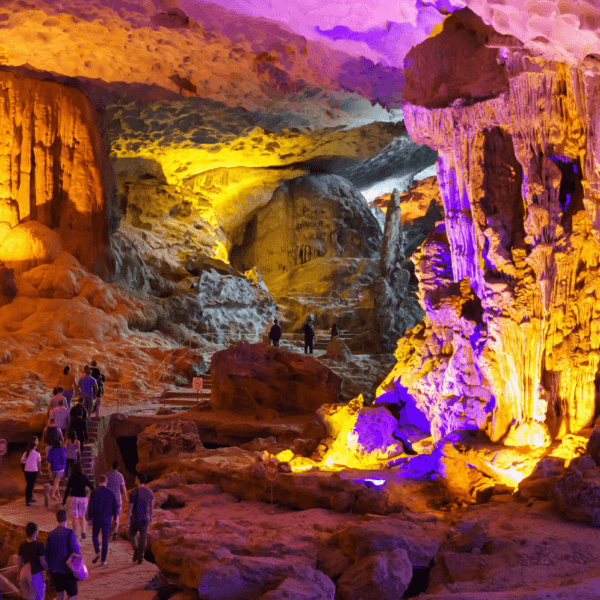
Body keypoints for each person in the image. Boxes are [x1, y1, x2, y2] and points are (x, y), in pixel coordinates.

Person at [46, 509, 80, 600]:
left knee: (59, 596)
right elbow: (76, 551)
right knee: (73, 595)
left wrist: (49, 571)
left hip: (55, 571)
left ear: (57, 519)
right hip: (68, 571)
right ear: (66, 519)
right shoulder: (70, 532)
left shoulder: (50, 534)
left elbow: (48, 554)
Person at [87, 475, 118, 566]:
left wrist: (89, 518)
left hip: (96, 518)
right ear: (106, 481)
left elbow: (90, 506)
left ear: (98, 482)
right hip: (107, 519)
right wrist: (115, 518)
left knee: (95, 536)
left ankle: (97, 551)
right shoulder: (111, 492)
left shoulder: (94, 492)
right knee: (105, 539)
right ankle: (103, 560)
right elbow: (115, 507)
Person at [127, 473, 154, 564]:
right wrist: (151, 517)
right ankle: (141, 557)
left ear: (138, 479)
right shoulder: (150, 492)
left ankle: (136, 549)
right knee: (143, 537)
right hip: (145, 518)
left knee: (131, 533)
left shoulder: (134, 492)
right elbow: (151, 507)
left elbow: (130, 507)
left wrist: (127, 518)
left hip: (135, 517)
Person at [63, 462, 94, 540]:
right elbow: (91, 487)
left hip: (74, 498)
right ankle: (83, 532)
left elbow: (67, 490)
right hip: (83, 498)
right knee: (82, 516)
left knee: (75, 517)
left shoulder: (71, 477)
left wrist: (64, 500)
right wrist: (90, 494)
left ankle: (75, 533)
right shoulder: (84, 477)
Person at [18, 521, 48, 600]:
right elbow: (42, 561)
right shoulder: (39, 545)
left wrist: (19, 574)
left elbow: (20, 561)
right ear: (35, 532)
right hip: (34, 574)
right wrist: (48, 570)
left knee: (27, 598)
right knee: (39, 597)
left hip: (23, 573)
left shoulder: (21, 545)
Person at [106, 461, 127, 541]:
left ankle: (108, 532)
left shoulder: (107, 475)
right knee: (117, 516)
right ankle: (115, 533)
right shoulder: (120, 476)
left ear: (111, 466)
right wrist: (126, 497)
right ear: (118, 467)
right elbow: (123, 488)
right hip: (118, 499)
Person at [21, 437, 42, 507]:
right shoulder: (37, 454)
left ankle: (29, 499)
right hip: (34, 471)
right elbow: (39, 464)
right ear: (34, 446)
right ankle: (28, 500)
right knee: (31, 485)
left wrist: (26, 465)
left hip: (27, 471)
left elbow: (21, 461)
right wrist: (40, 471)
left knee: (28, 485)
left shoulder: (26, 453)